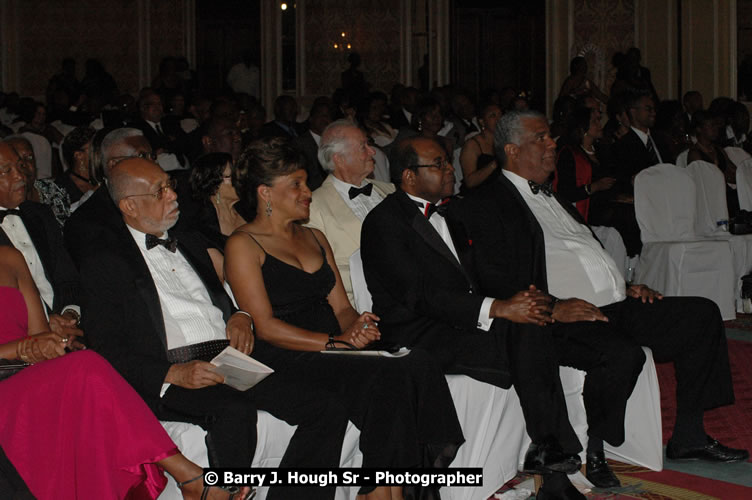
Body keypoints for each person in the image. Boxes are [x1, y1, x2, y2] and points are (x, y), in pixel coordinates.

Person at [460, 110, 749, 489]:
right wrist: (554, 307)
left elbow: (584, 252)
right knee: (620, 353)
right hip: (558, 317)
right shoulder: (487, 202)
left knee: (701, 314)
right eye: (542, 138)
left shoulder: (553, 197)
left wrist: (624, 285)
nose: (553, 144)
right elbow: (493, 276)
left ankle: (689, 436)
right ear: (512, 150)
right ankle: (592, 445)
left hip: (611, 305)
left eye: (551, 136)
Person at [80, 156, 350, 500]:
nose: (173, 196)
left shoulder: (192, 241)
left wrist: (241, 317)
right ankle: (221, 491)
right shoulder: (104, 262)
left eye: (170, 185)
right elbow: (107, 347)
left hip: (226, 358)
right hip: (172, 371)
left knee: (326, 406)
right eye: (159, 191)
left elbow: (232, 301)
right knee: (233, 411)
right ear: (130, 205)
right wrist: (173, 373)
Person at [224, 137, 464, 500]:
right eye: (297, 185)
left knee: (415, 360)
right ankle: (384, 491)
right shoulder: (243, 243)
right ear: (265, 193)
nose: (308, 192)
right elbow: (265, 326)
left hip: (331, 347)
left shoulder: (315, 237)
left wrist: (357, 325)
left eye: (306, 182)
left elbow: (340, 307)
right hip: (283, 353)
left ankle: (394, 484)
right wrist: (337, 343)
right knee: (386, 373)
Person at [0, 245, 246, 500]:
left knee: (84, 374)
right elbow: (29, 345)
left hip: (31, 376)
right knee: (84, 366)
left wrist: (48, 345)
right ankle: (190, 477)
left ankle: (191, 481)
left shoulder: (10, 257)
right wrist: (19, 348)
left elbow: (40, 337)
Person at [306, 120, 394, 306]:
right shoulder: (314, 206)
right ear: (339, 159)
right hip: (358, 308)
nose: (372, 152)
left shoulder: (391, 191)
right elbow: (320, 275)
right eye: (364, 147)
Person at [0, 141, 82, 341]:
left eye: (20, 166)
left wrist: (70, 316)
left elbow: (69, 278)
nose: (20, 176)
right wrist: (45, 322)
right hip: (20, 343)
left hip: (71, 329)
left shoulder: (40, 215)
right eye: (6, 171)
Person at [554, 106, 616, 221]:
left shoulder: (602, 150)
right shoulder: (569, 154)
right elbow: (565, 192)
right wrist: (595, 187)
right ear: (582, 128)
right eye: (594, 121)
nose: (600, 125)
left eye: (599, 120)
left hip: (606, 209)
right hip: (583, 214)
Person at [187, 152, 250, 250]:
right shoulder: (203, 230)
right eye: (231, 176)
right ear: (213, 186)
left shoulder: (251, 210)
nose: (239, 179)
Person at [687, 110, 739, 218]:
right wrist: (724, 177)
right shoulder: (695, 154)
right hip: (709, 200)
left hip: (725, 195)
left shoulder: (718, 150)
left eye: (716, 125)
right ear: (699, 129)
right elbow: (703, 183)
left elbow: (735, 173)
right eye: (711, 125)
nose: (716, 129)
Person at [459, 102, 502, 190]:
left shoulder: (506, 140)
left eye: (500, 115)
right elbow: (470, 182)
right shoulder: (472, 145)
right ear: (482, 122)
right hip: (479, 194)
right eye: (493, 116)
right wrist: (495, 163)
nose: (499, 119)